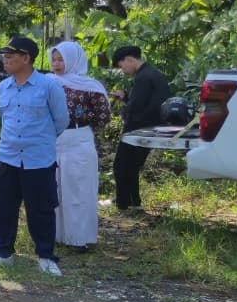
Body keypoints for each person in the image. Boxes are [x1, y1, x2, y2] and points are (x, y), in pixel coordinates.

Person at [0, 36, 69, 276]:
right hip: (7, 156)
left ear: (27, 58)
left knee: (41, 208)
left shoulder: (49, 86)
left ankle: (46, 256)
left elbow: (61, 120)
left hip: (38, 158)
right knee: (4, 206)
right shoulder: (3, 87)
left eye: (11, 55)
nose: (5, 59)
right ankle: (2, 253)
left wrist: (40, 141)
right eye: (4, 55)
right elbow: (3, 117)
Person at [50, 41, 112, 251]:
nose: (57, 64)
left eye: (61, 60)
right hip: (53, 138)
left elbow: (103, 116)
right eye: (54, 59)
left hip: (79, 137)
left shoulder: (90, 86)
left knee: (78, 187)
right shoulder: (47, 83)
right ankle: (57, 235)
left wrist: (80, 115)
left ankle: (79, 238)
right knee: (54, 187)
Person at [110, 45, 171, 211]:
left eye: (122, 65)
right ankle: (133, 202)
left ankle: (123, 204)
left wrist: (126, 113)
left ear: (129, 59)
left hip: (138, 127)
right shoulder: (152, 73)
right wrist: (126, 97)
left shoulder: (143, 78)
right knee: (131, 165)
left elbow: (136, 106)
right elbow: (145, 101)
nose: (122, 70)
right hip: (151, 125)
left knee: (122, 165)